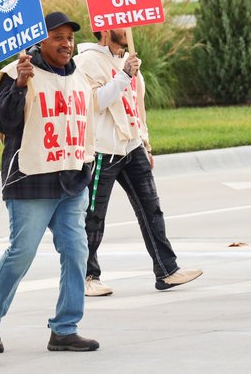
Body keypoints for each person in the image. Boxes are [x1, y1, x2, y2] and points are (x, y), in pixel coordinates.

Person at [0, 12, 100, 353]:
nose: (66, 43)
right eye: (58, 37)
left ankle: (65, 327)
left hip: (72, 180)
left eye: (69, 38)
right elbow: (3, 120)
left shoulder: (80, 77)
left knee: (76, 252)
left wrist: (86, 167)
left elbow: (86, 122)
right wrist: (18, 85)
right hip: (31, 180)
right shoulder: (18, 73)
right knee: (22, 253)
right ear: (40, 40)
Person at [74, 27, 202, 296]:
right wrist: (124, 75)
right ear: (106, 30)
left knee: (151, 209)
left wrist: (145, 142)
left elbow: (136, 105)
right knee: (94, 215)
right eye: (122, 26)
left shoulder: (127, 59)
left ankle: (166, 270)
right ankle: (87, 276)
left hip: (132, 146)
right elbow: (94, 102)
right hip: (103, 149)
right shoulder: (87, 61)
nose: (128, 30)